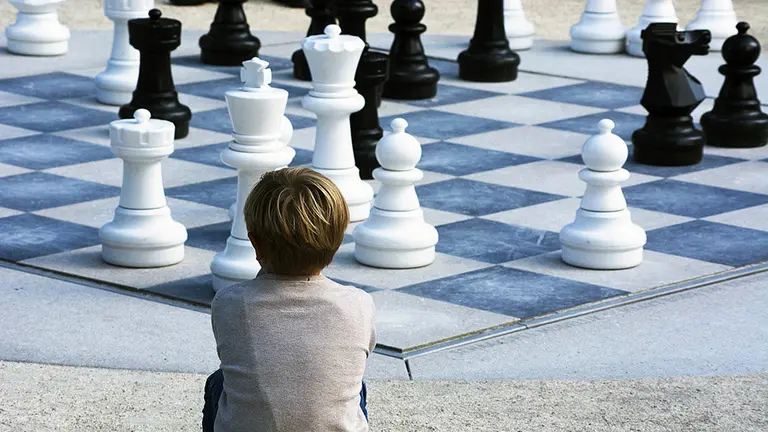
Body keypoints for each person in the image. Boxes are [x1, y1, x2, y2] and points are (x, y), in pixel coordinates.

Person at [202, 167, 377, 432]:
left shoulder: (228, 302)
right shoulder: (359, 304)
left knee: (218, 381)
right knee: (354, 385)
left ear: (255, 243)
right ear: (338, 241)